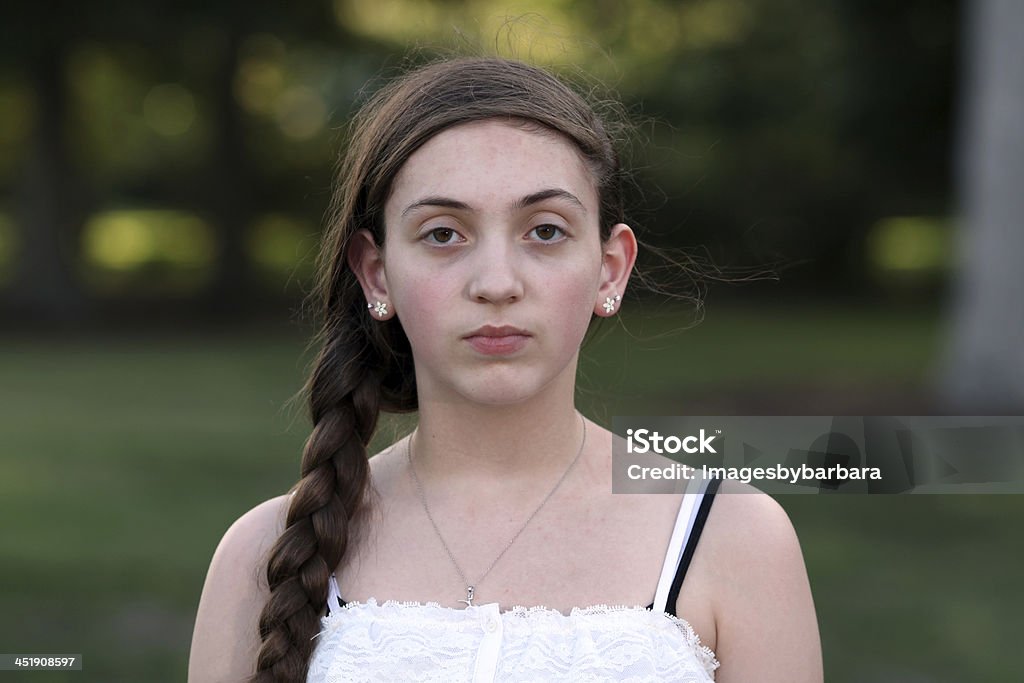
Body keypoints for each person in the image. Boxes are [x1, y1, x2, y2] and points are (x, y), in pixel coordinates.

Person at [188, 56, 823, 682]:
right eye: (443, 234)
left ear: (610, 269)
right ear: (377, 273)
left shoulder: (731, 536)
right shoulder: (266, 554)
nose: (496, 283)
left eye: (545, 231)